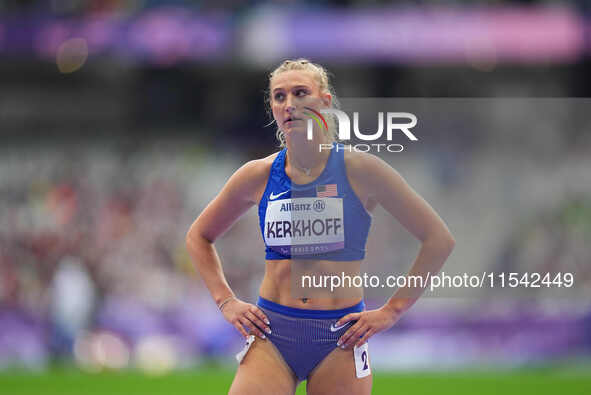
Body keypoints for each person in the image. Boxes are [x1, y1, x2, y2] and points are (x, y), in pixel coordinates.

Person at [186, 58, 455, 395]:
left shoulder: (362, 170)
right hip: (273, 333)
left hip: (341, 337)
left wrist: (392, 311)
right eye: (280, 97)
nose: (290, 104)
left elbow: (438, 239)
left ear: (324, 103)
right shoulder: (258, 174)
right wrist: (226, 301)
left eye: (301, 93)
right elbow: (199, 235)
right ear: (272, 108)